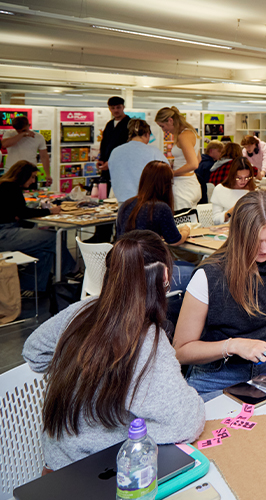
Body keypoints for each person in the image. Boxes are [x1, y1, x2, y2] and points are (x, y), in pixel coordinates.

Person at [22, 231, 205, 471]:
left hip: (57, 465)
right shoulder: (147, 339)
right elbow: (186, 423)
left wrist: (83, 373)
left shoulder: (81, 311)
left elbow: (34, 352)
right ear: (165, 276)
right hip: (101, 473)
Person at [173, 191, 266, 400]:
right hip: (216, 375)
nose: (264, 249)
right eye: (255, 241)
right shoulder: (209, 275)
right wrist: (233, 345)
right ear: (239, 237)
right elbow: (180, 351)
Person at [115, 161, 194, 291]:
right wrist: (186, 230)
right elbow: (175, 240)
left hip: (125, 270)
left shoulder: (126, 204)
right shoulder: (160, 208)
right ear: (166, 185)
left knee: (185, 266)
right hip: (148, 275)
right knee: (197, 272)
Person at [0, 161, 71, 294]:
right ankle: (70, 271)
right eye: (32, 177)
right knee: (53, 237)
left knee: (45, 250)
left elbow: (18, 213)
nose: (33, 181)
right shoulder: (10, 187)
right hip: (4, 233)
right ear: (23, 175)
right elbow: (23, 213)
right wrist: (50, 211)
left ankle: (30, 288)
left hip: (7, 231)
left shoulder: (6, 186)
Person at [107, 119, 169, 204]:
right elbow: (167, 173)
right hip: (146, 201)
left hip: (123, 201)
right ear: (147, 134)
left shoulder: (115, 152)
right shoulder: (153, 151)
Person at [155, 107, 202, 211]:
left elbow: (194, 164)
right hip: (191, 183)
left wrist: (172, 172)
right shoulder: (191, 133)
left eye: (162, 126)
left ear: (170, 121)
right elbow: (198, 159)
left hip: (183, 187)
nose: (163, 130)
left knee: (182, 222)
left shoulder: (183, 136)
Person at [1, 116, 51, 187]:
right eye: (18, 130)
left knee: (31, 197)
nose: (21, 132)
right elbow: (4, 144)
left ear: (29, 125)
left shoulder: (38, 137)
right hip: (11, 173)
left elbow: (44, 156)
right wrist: (22, 134)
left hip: (30, 175)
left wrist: (48, 175)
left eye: (24, 130)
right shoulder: (9, 134)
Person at [210, 157, 257, 225]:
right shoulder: (220, 189)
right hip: (226, 230)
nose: (243, 181)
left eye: (247, 177)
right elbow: (215, 220)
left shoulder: (253, 190)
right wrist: (231, 212)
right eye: (239, 178)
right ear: (232, 175)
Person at [96, 96, 130, 178]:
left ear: (123, 107)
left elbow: (128, 147)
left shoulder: (130, 124)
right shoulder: (109, 124)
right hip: (107, 167)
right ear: (109, 109)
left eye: (118, 107)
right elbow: (104, 144)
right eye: (113, 108)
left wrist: (112, 162)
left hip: (123, 167)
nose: (116, 110)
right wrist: (101, 160)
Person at [197, 140, 223, 204]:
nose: (221, 154)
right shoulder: (211, 165)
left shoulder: (199, 161)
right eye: (219, 151)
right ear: (211, 151)